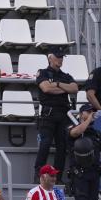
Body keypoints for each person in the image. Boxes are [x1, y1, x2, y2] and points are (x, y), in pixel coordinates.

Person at [34, 47, 77, 175]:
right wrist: (64, 88)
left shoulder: (66, 75)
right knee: (45, 144)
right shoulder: (42, 73)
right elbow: (46, 88)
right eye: (58, 57)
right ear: (50, 58)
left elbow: (74, 89)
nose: (60, 59)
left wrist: (57, 85)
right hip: (49, 113)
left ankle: (57, 175)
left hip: (64, 114)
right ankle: (39, 173)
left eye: (62, 57)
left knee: (62, 146)